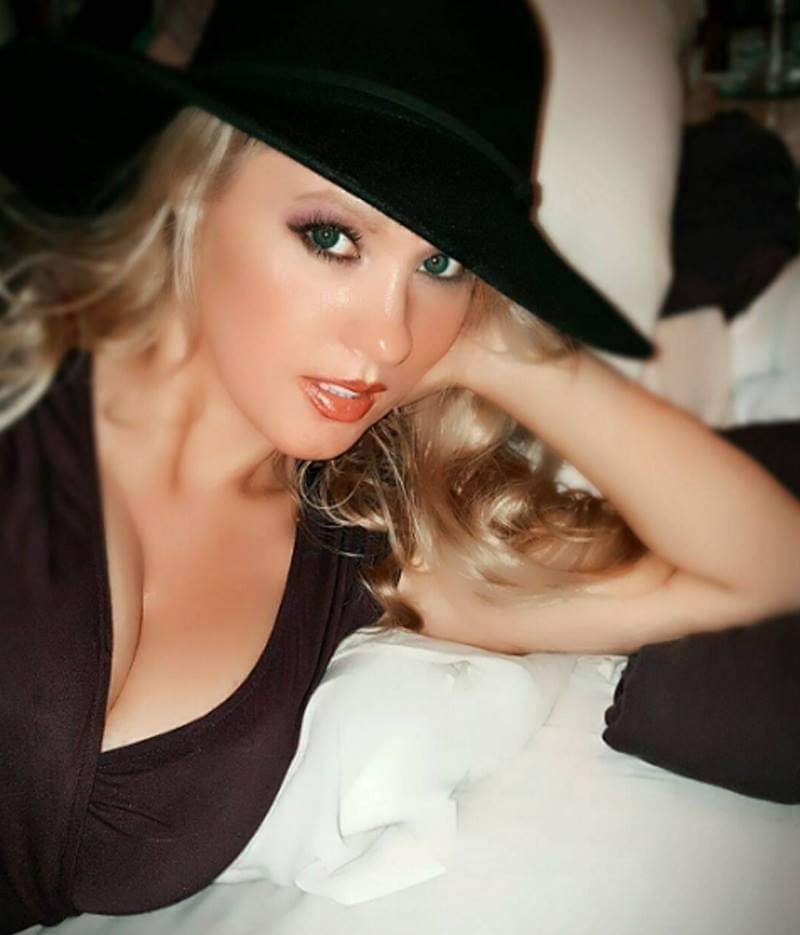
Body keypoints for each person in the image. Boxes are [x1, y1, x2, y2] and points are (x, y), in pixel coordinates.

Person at [1, 0, 799, 930]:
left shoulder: (365, 549)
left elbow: (766, 565)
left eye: (440, 262)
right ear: (190, 184)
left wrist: (502, 349)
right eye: (331, 237)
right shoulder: (22, 396)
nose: (388, 337)